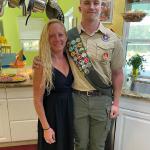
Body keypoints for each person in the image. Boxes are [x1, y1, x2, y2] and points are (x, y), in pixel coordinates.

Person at [33, 0, 125, 150]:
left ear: (102, 6)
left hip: (102, 100)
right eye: (87, 3)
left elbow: (118, 73)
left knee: (98, 145)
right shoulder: (69, 37)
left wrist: (116, 102)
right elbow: (52, 51)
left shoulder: (113, 39)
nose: (92, 7)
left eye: (96, 3)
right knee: (79, 145)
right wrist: (38, 60)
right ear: (80, 7)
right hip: (77, 100)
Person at [33, 19, 74, 150]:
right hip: (51, 116)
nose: (57, 39)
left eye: (60, 34)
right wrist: (46, 128)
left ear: (66, 37)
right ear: (46, 39)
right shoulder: (42, 64)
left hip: (68, 113)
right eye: (52, 36)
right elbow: (37, 100)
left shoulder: (71, 58)